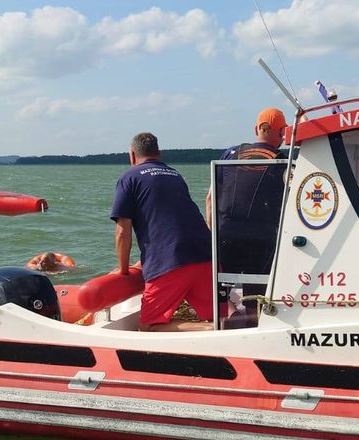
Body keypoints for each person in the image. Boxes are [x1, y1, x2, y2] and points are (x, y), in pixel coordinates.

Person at [110, 132, 214, 331]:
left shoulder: (129, 177)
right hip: (205, 254)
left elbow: (123, 232)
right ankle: (216, 326)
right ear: (159, 153)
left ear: (132, 155)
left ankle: (207, 329)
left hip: (170, 261)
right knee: (220, 315)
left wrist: (123, 269)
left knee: (148, 326)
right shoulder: (175, 174)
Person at [205, 107, 288, 327]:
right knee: (256, 296)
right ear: (281, 133)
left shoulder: (230, 154)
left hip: (226, 236)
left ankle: (227, 318)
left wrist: (213, 236)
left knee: (220, 290)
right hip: (262, 241)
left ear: (256, 129)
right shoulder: (283, 161)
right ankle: (253, 324)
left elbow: (210, 199)